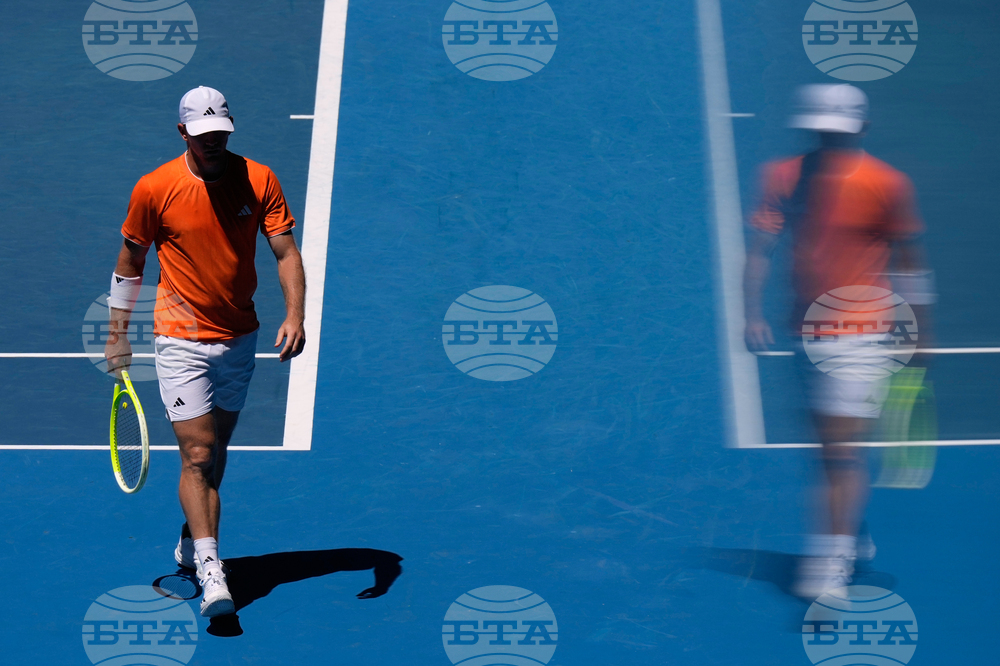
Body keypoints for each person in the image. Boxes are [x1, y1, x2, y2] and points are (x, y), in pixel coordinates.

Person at [104, 86, 306, 617]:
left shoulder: (260, 179)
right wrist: (117, 332)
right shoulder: (155, 188)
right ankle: (213, 574)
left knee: (213, 457)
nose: (212, 143)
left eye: (220, 133)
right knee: (196, 454)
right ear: (182, 134)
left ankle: (194, 535)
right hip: (179, 337)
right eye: (202, 135)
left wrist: (295, 314)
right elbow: (131, 261)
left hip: (240, 336)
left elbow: (285, 251)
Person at [743, 84, 934, 598]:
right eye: (821, 132)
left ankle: (829, 562)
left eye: (838, 132)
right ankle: (847, 530)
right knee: (828, 455)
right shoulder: (781, 176)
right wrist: (751, 313)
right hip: (803, 333)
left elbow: (912, 269)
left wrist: (920, 334)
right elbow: (762, 248)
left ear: (862, 131)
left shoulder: (888, 184)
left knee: (839, 452)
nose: (829, 141)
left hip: (863, 334)